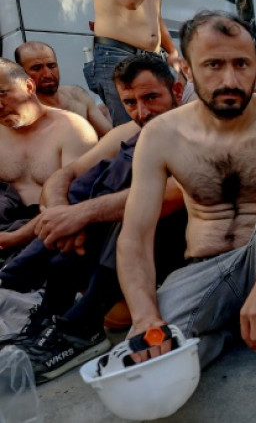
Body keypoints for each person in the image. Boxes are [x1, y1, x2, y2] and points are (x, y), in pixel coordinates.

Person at [116, 11, 256, 372]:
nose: (230, 79)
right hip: (204, 271)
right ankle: (231, 328)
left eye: (241, 64)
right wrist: (144, 316)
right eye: (213, 65)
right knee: (151, 360)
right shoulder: (161, 135)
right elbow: (135, 235)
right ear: (187, 69)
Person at [1, 53, 187, 382]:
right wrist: (63, 213)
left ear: (177, 90)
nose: (142, 111)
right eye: (130, 102)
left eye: (151, 98)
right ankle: (51, 309)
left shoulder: (194, 133)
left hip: (159, 246)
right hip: (97, 251)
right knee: (90, 182)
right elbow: (65, 175)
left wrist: (81, 215)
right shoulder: (131, 130)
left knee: (131, 193)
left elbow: (173, 195)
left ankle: (78, 327)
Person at [0, 60, 97, 256]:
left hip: (52, 232)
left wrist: (16, 237)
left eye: (2, 93)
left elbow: (78, 198)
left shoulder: (72, 129)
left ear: (29, 87)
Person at [14, 42, 112, 137]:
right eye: (37, 68)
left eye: (51, 66)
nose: (48, 74)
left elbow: (109, 135)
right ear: (21, 73)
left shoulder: (77, 95)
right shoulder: (26, 115)